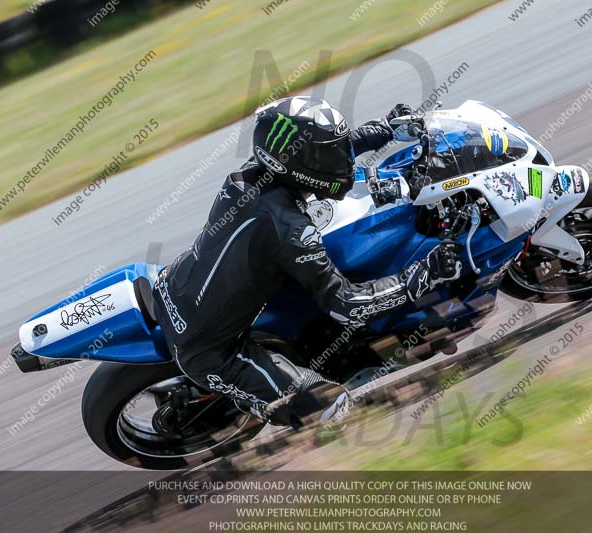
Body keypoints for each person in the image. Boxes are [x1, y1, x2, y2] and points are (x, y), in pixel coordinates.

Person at [152, 96, 462, 430]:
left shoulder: (248, 177)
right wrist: (420, 276)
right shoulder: (290, 231)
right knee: (330, 408)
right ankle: (254, 402)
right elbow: (348, 306)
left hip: (172, 287)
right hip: (210, 352)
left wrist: (385, 130)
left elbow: (319, 154)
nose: (342, 162)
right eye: (329, 154)